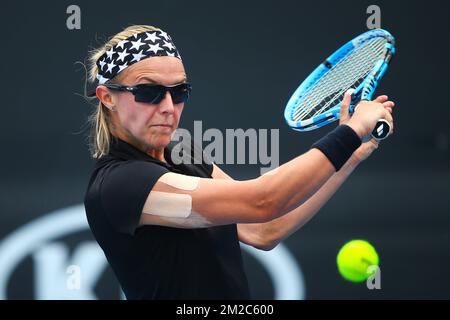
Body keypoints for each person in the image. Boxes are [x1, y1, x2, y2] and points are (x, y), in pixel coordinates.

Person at [83, 25, 395, 299]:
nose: (168, 107)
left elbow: (264, 229)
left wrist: (350, 156)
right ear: (107, 96)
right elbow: (262, 202)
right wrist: (351, 132)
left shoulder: (183, 152)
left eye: (179, 92)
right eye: (149, 92)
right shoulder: (119, 186)